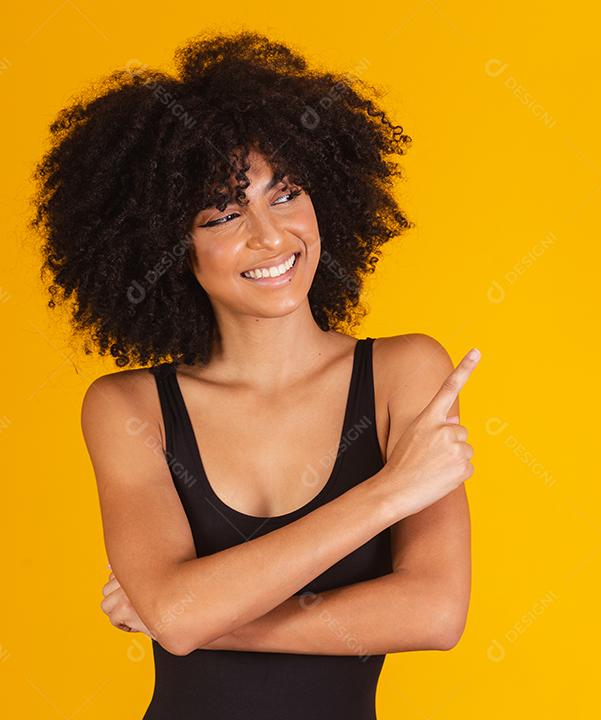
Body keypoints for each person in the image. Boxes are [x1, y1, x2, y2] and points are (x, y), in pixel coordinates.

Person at [30, 29, 478, 719]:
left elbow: (433, 612)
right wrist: (390, 493)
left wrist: (206, 616)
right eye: (223, 215)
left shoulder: (403, 372)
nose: (270, 237)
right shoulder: (129, 408)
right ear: (172, 247)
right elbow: (178, 617)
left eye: (287, 193)